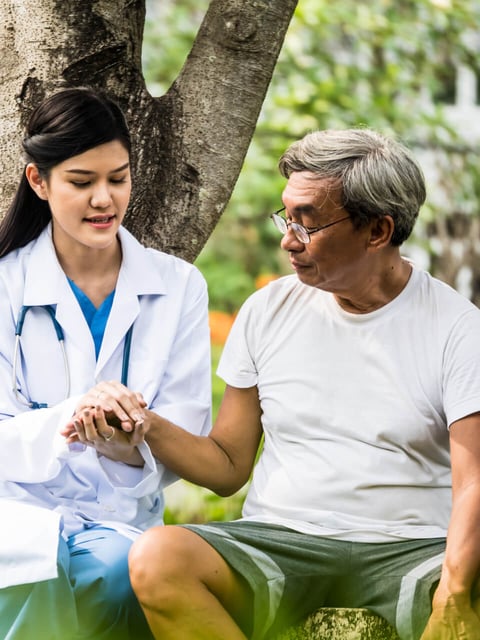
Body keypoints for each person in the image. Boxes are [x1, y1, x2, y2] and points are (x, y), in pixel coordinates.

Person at [127, 127, 480, 640]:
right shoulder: (268, 310)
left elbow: (473, 483)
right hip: (282, 539)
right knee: (157, 557)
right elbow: (228, 466)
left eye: (306, 224)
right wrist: (145, 425)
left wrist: (453, 592)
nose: (287, 239)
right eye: (286, 217)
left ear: (378, 231)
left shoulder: (458, 328)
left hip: (414, 547)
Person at [0, 86, 211, 640]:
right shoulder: (4, 283)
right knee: (32, 567)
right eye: (81, 181)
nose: (104, 199)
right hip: (13, 510)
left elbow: (186, 427)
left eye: (118, 179)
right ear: (38, 182)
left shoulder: (178, 286)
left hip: (117, 512)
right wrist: (77, 416)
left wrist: (124, 447)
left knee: (120, 573)